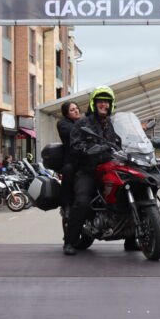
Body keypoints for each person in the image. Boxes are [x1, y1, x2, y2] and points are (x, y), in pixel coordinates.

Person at [62, 86, 122, 256]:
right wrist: (88, 149)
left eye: (107, 101)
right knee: (82, 202)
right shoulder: (83, 123)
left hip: (109, 168)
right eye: (100, 101)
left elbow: (119, 141)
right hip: (89, 170)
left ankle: (132, 238)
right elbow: (75, 145)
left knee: (126, 192)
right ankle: (69, 241)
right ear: (94, 103)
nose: (104, 104)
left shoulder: (111, 124)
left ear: (111, 104)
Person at [57, 100, 81, 250]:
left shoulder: (84, 122)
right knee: (68, 171)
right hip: (72, 160)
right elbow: (73, 133)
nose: (76, 111)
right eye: (72, 110)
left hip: (87, 159)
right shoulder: (63, 124)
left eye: (77, 108)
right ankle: (66, 207)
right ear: (66, 113)